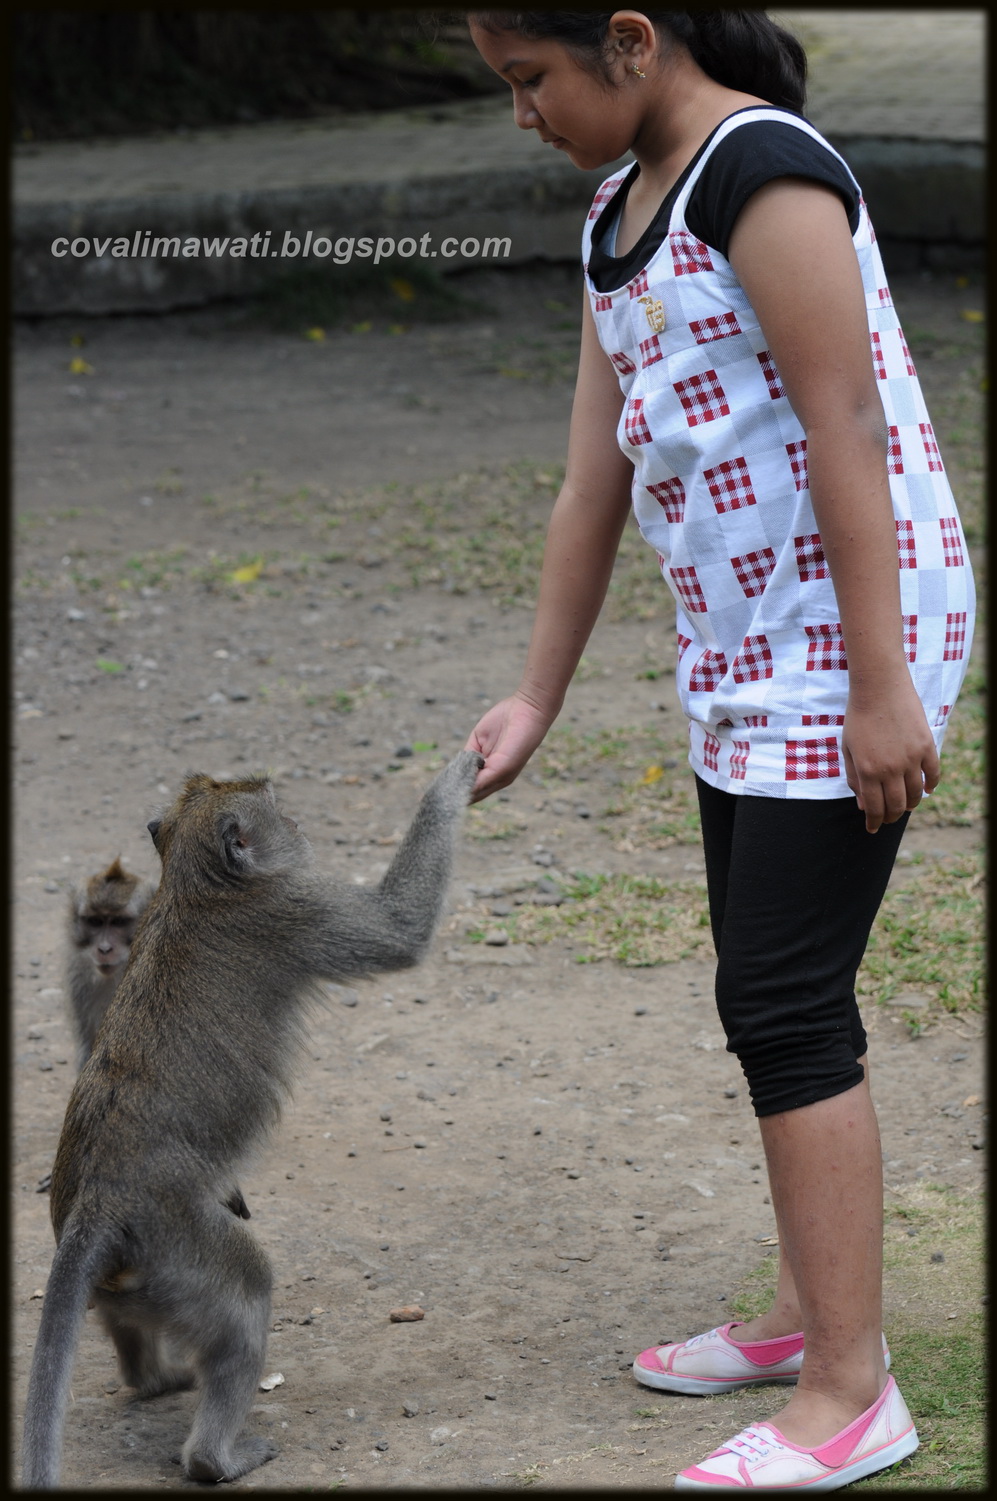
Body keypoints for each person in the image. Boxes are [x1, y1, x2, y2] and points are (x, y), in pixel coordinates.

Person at [463, 9, 975, 1491]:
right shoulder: (616, 216)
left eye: (530, 81)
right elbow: (588, 481)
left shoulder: (765, 173)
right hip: (743, 650)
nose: (522, 114)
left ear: (627, 39)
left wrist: (882, 690)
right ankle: (807, 1314)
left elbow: (848, 432)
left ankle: (848, 1388)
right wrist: (537, 695)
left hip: (846, 641)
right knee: (764, 992)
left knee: (784, 996)